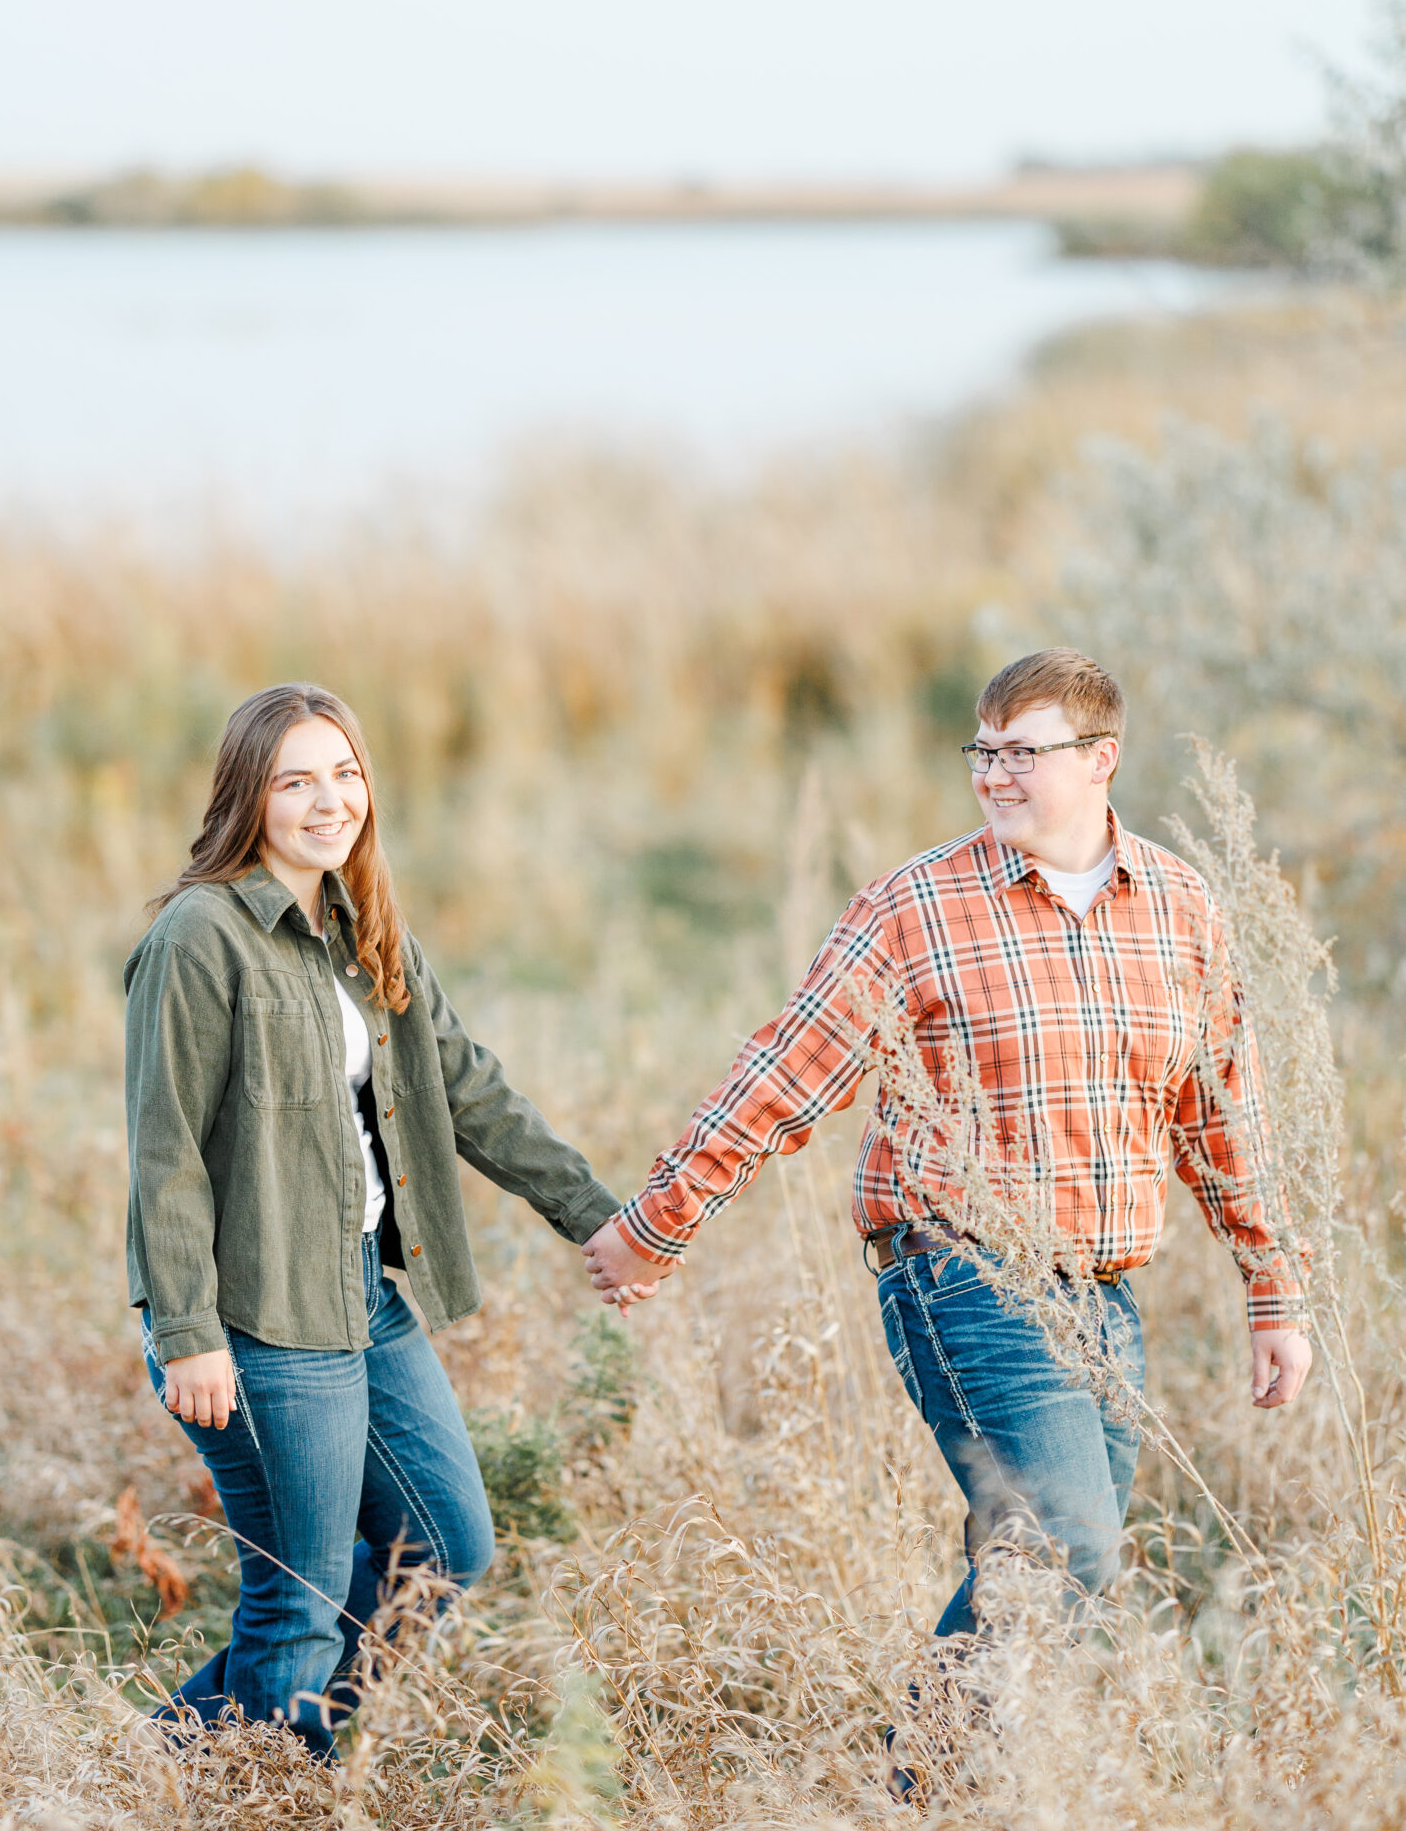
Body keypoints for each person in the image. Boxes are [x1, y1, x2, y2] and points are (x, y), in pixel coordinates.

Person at [582, 649, 1311, 1641]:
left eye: (1025, 753)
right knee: (1065, 1546)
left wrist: (1273, 1288)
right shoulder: (915, 908)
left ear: (1102, 759)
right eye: (983, 748)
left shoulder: (1182, 909)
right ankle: (926, 1783)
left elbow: (1225, 1114)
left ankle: (942, 1789)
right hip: (963, 1273)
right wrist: (657, 1222)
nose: (994, 773)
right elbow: (787, 1073)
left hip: (1103, 1292)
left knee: (1053, 1576)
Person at [125, 682, 620, 1751]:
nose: (328, 799)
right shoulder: (200, 936)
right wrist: (188, 1335)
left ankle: (184, 1754)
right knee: (301, 1595)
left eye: (345, 772)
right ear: (248, 794)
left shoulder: (358, 924)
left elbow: (464, 1084)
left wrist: (593, 1215)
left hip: (365, 1289)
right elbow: (164, 1157)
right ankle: (263, 1825)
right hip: (258, 1310)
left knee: (444, 1545)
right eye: (296, 779)